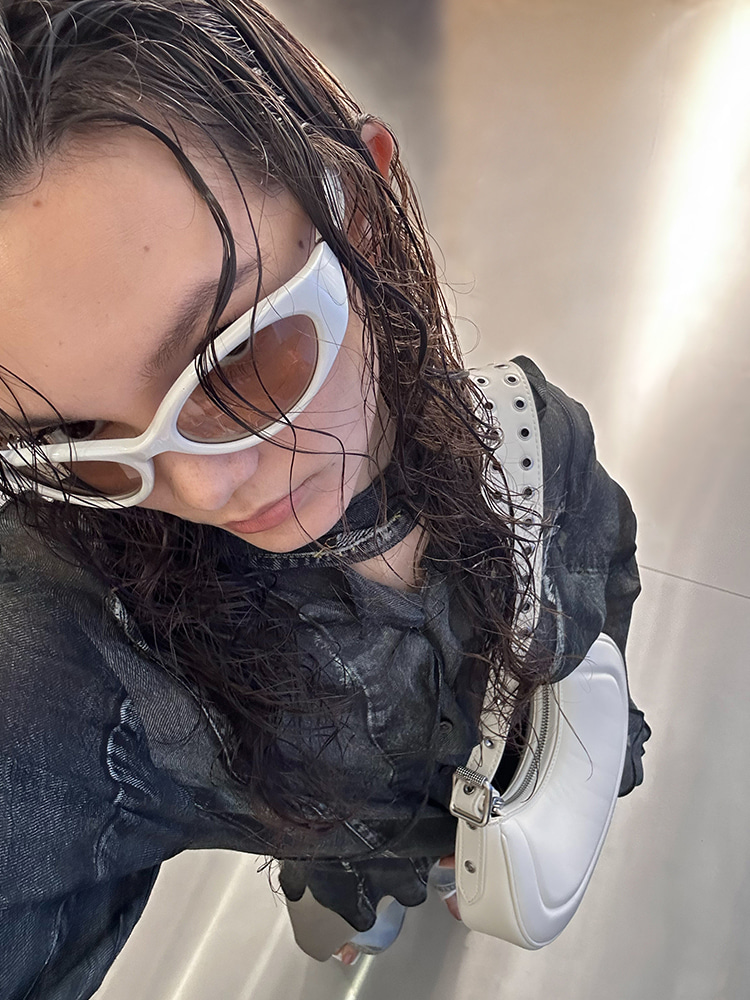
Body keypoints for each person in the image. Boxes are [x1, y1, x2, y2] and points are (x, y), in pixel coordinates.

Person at [0, 0, 651, 993]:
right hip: (331, 837)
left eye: (240, 359)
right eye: (76, 444)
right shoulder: (76, 650)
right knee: (351, 884)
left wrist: (599, 741)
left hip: (469, 790)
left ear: (361, 217)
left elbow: (604, 588)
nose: (201, 485)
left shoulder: (535, 443)